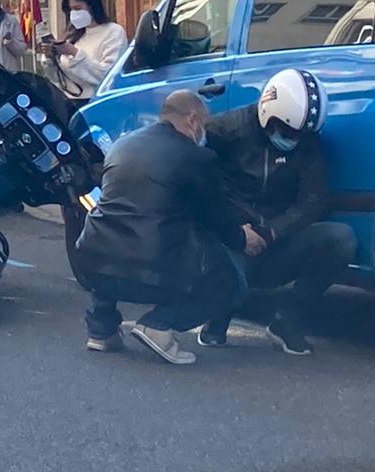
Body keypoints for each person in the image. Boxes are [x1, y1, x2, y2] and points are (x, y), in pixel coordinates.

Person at [75, 89, 262, 365]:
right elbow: (214, 216)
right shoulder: (197, 158)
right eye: (204, 123)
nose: (204, 131)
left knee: (112, 235)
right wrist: (241, 238)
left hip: (90, 257)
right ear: (192, 120)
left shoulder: (123, 144)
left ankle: (101, 329)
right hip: (150, 267)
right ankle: (159, 325)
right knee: (230, 283)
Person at [199, 70, 357, 356]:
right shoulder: (225, 131)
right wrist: (235, 230)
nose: (293, 140)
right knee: (222, 256)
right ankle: (217, 312)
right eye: (287, 133)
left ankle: (288, 320)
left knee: (340, 238)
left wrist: (273, 230)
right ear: (267, 114)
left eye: (300, 135)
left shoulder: (307, 145)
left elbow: (314, 199)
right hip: (229, 239)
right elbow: (202, 185)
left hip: (276, 240)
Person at [40, 0, 128, 101]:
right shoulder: (73, 35)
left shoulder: (113, 32)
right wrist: (50, 58)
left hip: (95, 102)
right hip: (68, 101)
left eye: (77, 8)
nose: (73, 14)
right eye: (70, 10)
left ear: (92, 6)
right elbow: (58, 79)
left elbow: (108, 76)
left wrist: (75, 53)